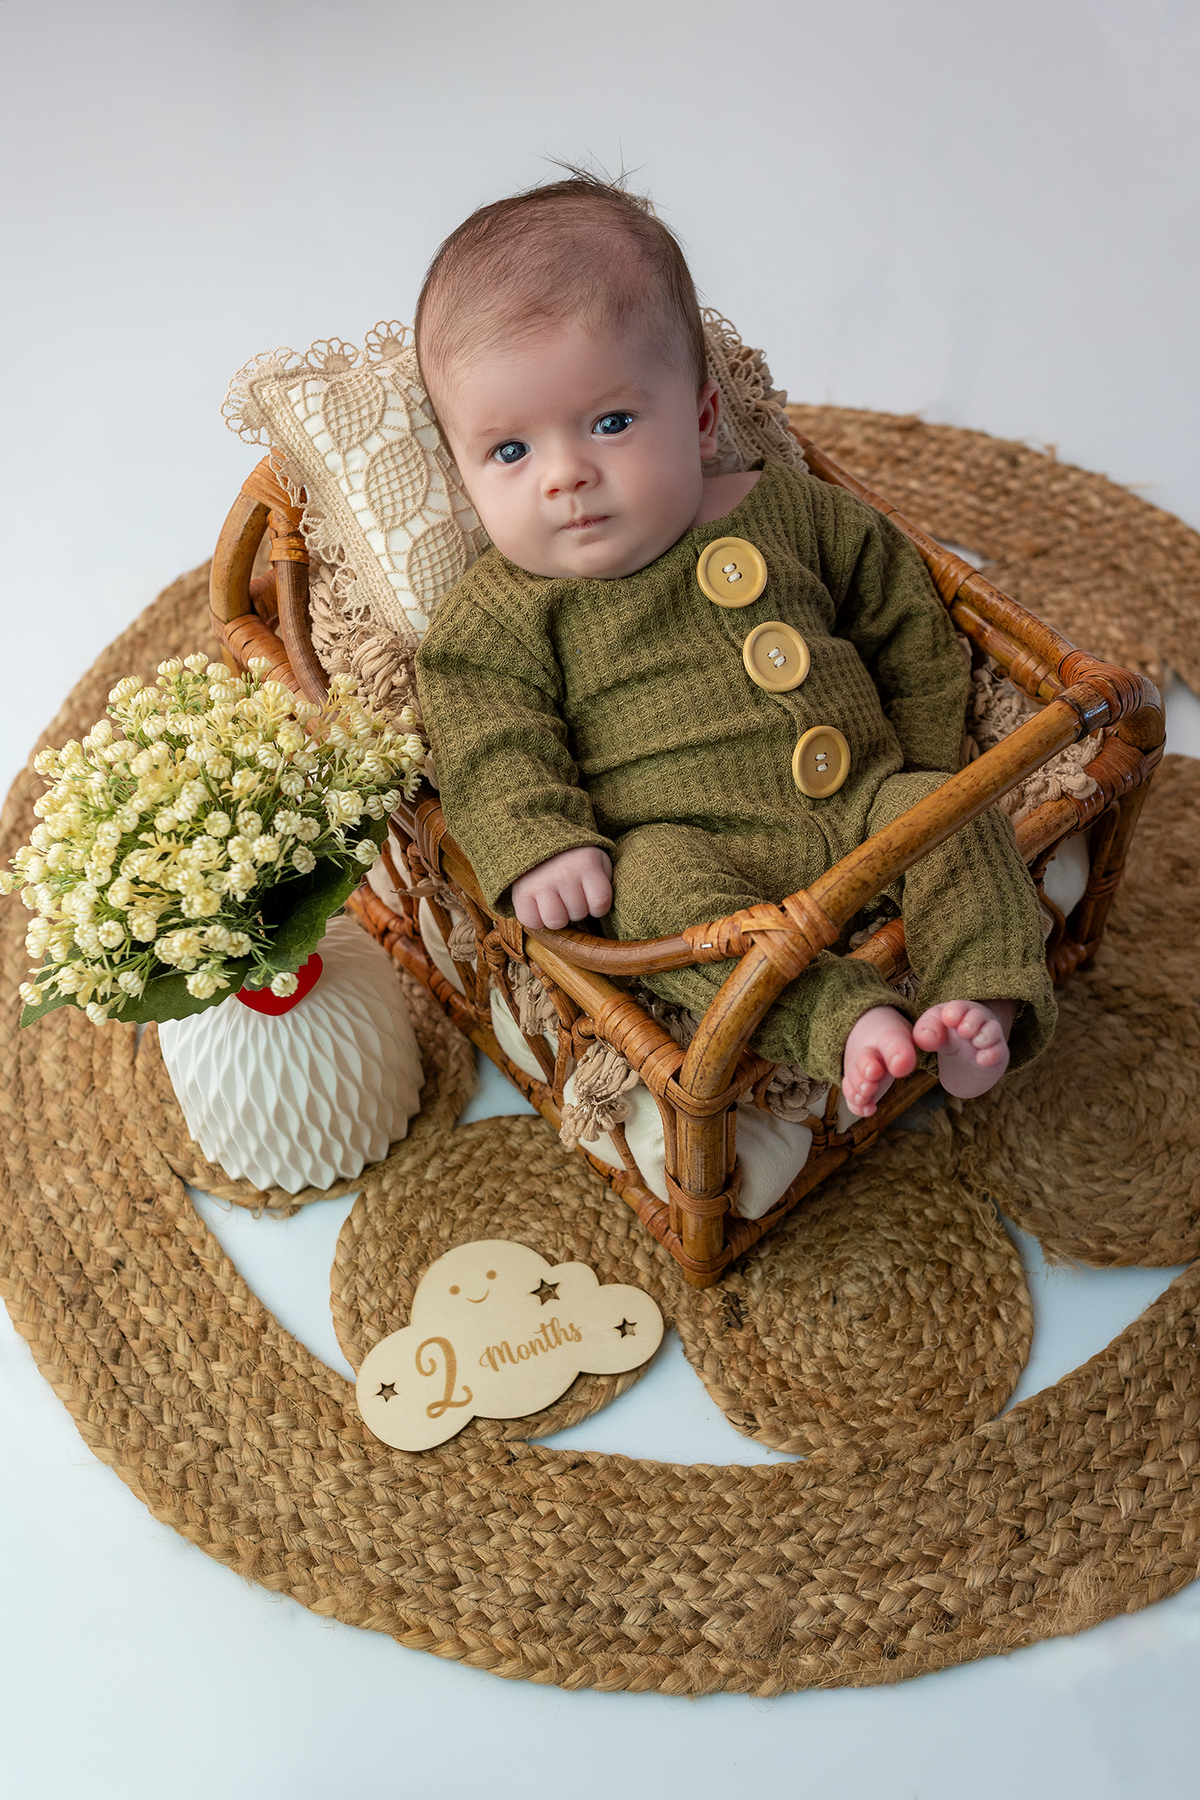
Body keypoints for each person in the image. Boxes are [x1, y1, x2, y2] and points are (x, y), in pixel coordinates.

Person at [413, 175, 1055, 1118]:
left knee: (956, 814)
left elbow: (899, 613)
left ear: (703, 418)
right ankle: (845, 1024)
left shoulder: (785, 508)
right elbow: (486, 738)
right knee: (650, 894)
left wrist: (922, 767)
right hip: (692, 849)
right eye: (510, 452)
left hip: (865, 799)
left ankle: (979, 999)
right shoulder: (502, 614)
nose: (567, 476)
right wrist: (542, 844)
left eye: (612, 422)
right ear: (464, 473)